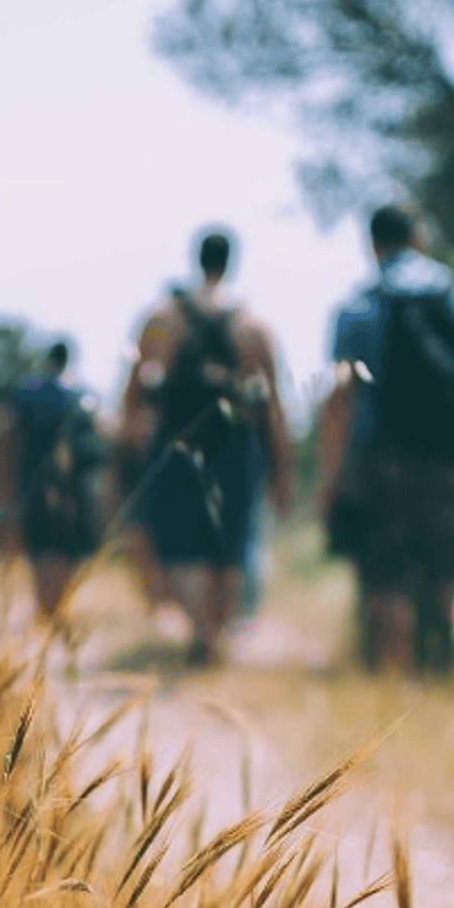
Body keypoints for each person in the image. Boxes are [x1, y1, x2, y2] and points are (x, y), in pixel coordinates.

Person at [315, 203, 454, 707]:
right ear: (420, 237)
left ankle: (402, 691)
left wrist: (332, 474)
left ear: (373, 243)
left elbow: (341, 396)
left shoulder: (359, 304)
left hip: (384, 457)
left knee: (387, 573)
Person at [120, 230, 294, 665]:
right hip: (235, 444)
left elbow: (132, 395)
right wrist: (281, 470)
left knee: (184, 538)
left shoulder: (161, 318)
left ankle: (200, 630)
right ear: (231, 261)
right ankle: (217, 634)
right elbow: (273, 405)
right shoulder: (253, 324)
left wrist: (126, 457)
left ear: (195, 259)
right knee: (230, 538)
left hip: (177, 442)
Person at [0, 341, 107, 621]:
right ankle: (54, 610)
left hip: (35, 487)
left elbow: (2, 439)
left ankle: (47, 611)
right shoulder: (82, 394)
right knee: (64, 552)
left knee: (42, 553)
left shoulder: (25, 393)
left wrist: (1, 492)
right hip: (76, 491)